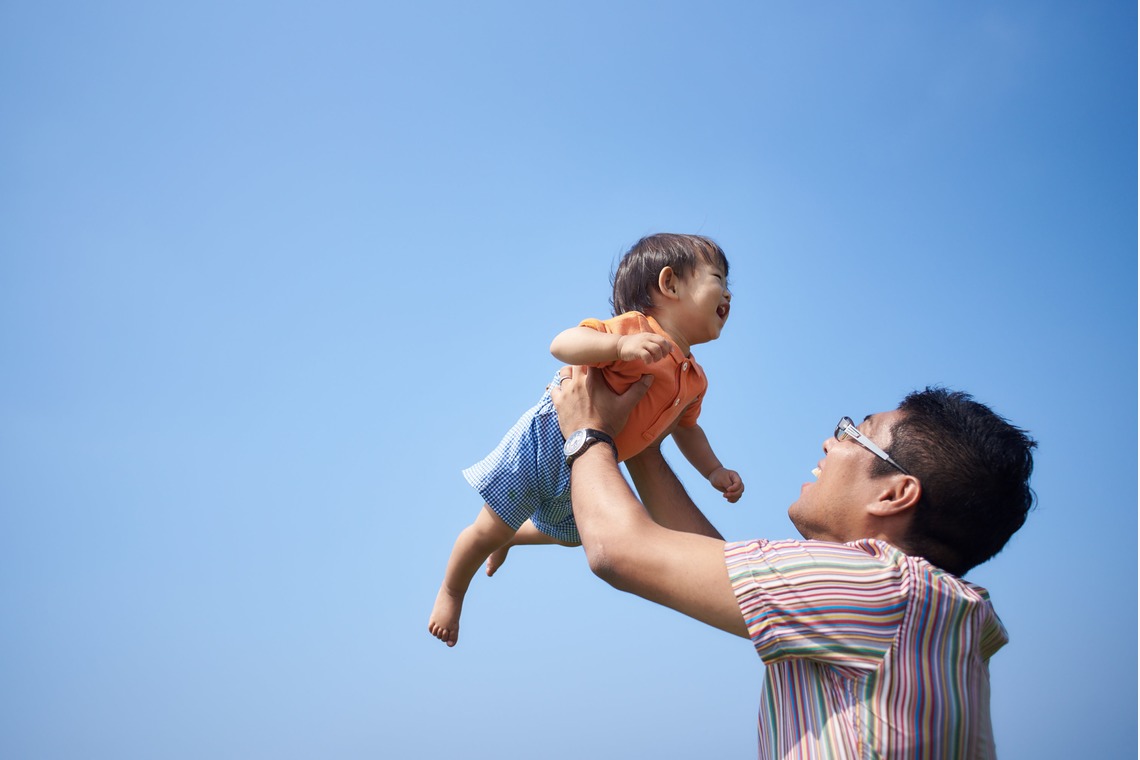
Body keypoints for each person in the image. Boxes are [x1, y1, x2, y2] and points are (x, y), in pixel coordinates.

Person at [549, 366, 1036, 759]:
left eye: (854, 433)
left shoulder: (883, 587)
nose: (831, 442)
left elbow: (620, 551)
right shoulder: (917, 604)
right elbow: (700, 561)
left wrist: (586, 430)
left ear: (894, 494)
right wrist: (644, 443)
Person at [428, 234, 743, 647]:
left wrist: (714, 470)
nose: (729, 294)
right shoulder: (634, 330)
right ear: (670, 284)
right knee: (487, 528)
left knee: (574, 532)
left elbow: (687, 429)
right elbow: (562, 344)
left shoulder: (694, 378)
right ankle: (452, 590)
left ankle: (512, 534)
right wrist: (618, 346)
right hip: (547, 441)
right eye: (718, 278)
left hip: (597, 460)